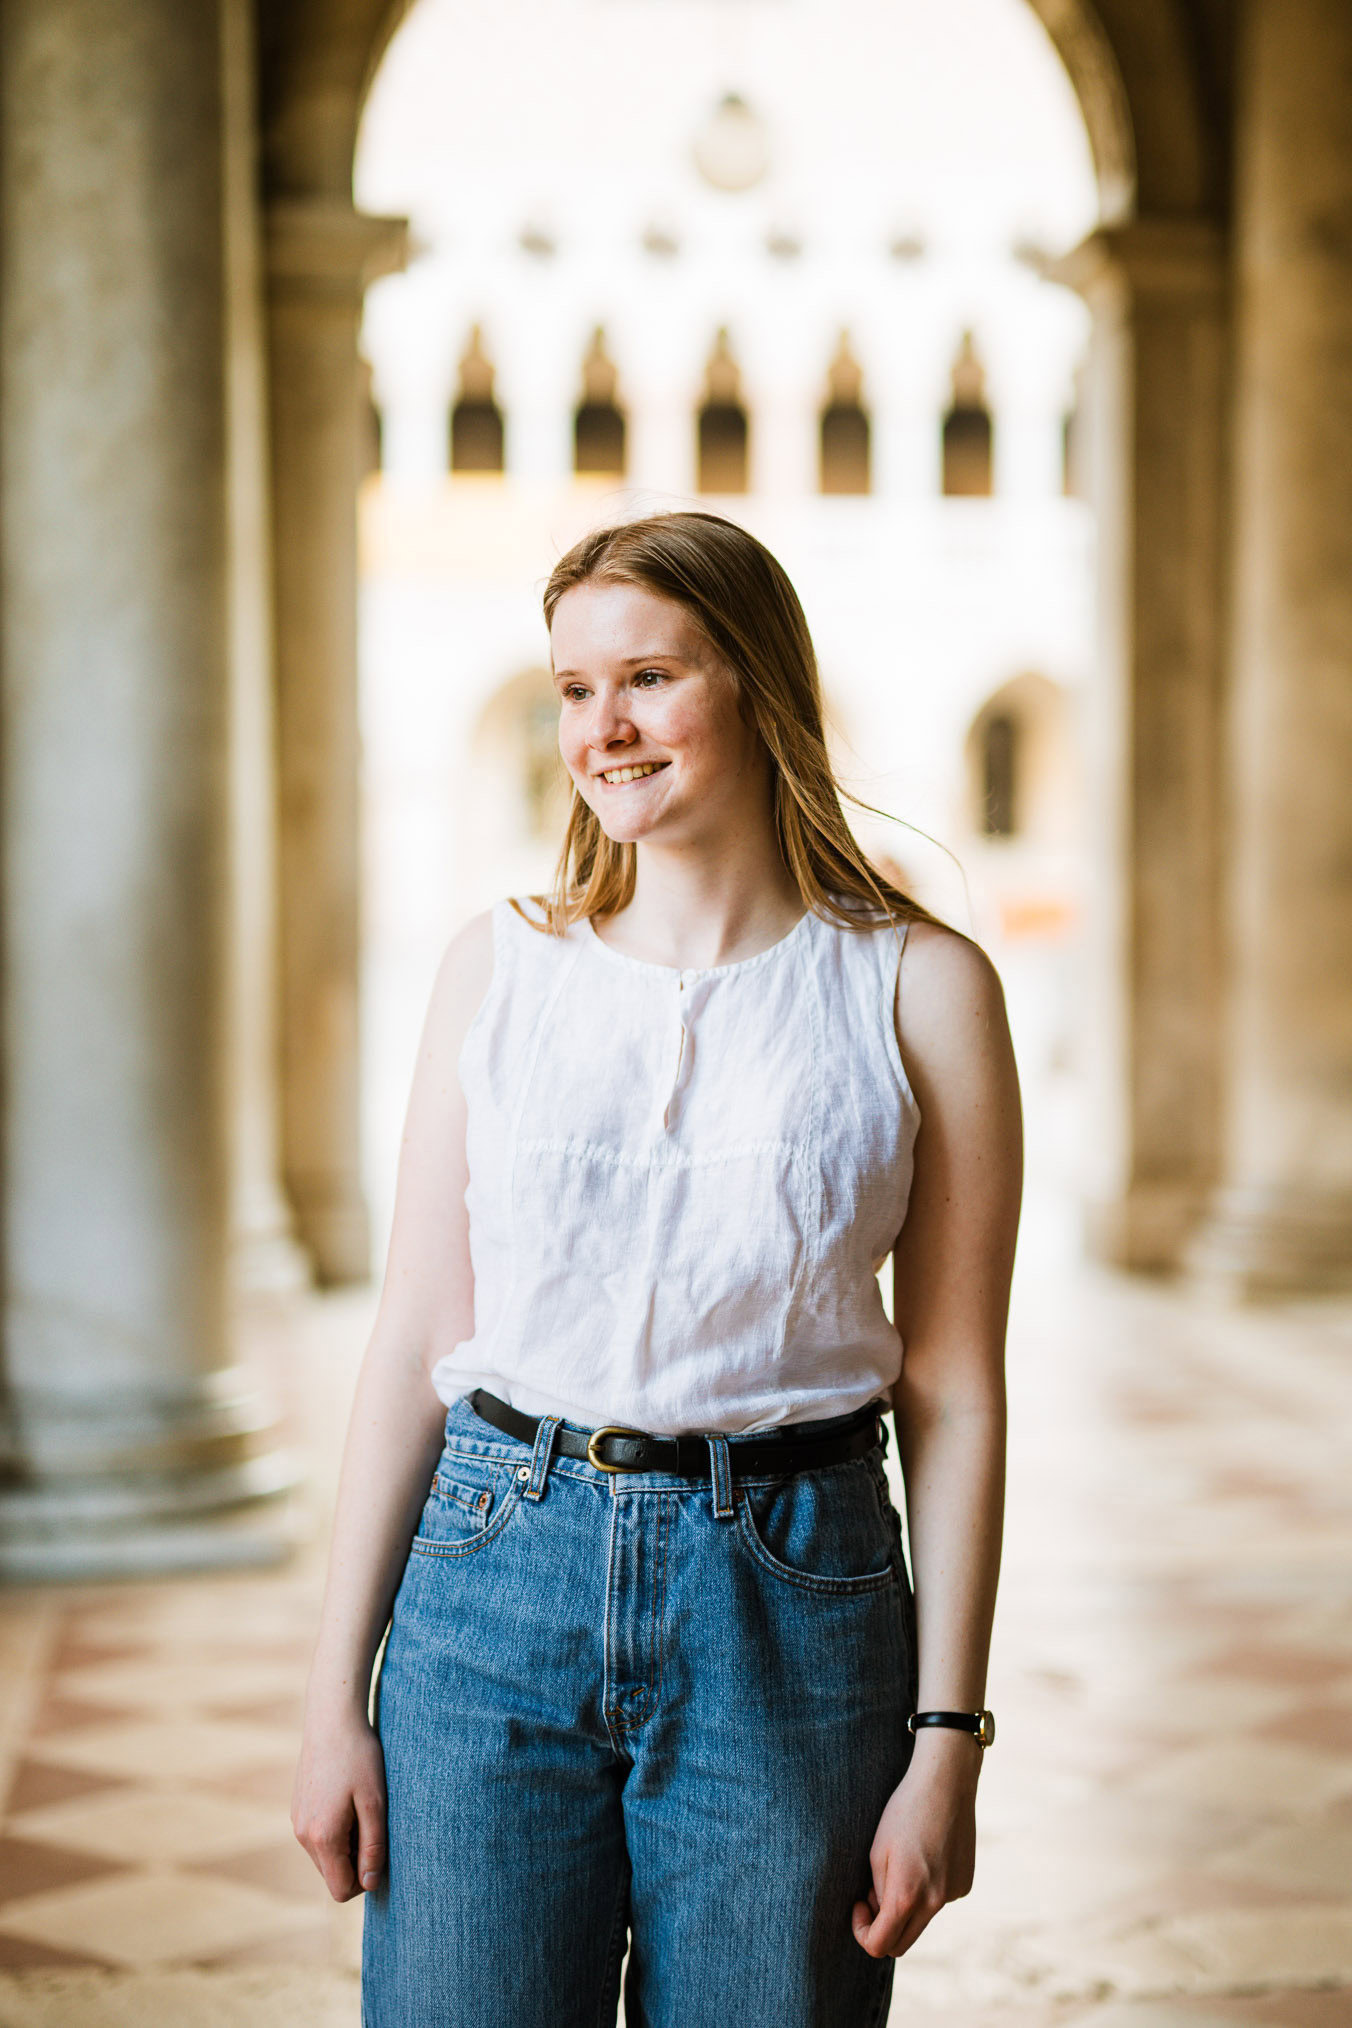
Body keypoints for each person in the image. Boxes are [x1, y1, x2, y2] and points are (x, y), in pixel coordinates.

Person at [292, 510, 1021, 2028]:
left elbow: (954, 1388)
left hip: (796, 1596)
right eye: (571, 689)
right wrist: (330, 1699)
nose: (600, 729)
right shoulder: (498, 971)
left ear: (755, 682)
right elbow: (420, 1336)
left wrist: (947, 1732)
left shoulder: (924, 987)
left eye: (646, 679)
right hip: (495, 1581)